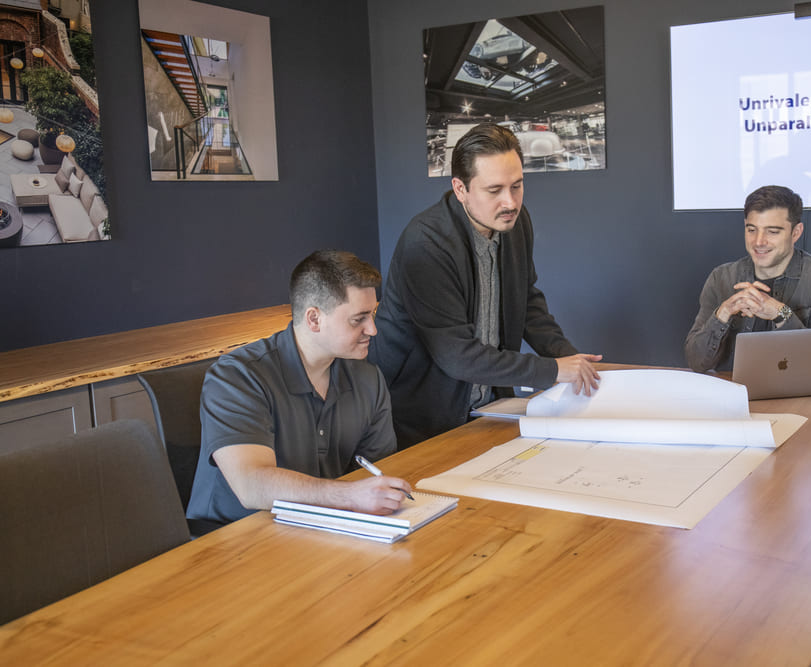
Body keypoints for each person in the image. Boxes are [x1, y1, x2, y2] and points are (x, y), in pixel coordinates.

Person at [369, 123, 602, 449]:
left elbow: (527, 302)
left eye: (517, 186)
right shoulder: (426, 243)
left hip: (488, 407)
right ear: (460, 188)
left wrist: (569, 358)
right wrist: (551, 370)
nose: (510, 202)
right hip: (420, 418)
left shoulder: (515, 222)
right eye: (494, 191)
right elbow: (457, 356)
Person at [186, 249, 411, 528]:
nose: (373, 330)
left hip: (321, 525)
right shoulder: (238, 377)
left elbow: (377, 471)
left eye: (373, 315)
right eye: (359, 319)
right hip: (234, 537)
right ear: (314, 319)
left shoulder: (368, 378)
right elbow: (251, 485)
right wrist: (349, 496)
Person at [684, 185, 811, 374]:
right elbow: (696, 362)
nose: (759, 241)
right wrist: (724, 312)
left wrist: (781, 313)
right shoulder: (721, 277)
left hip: (797, 398)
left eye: (772, 231)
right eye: (752, 229)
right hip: (733, 396)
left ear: (796, 232)